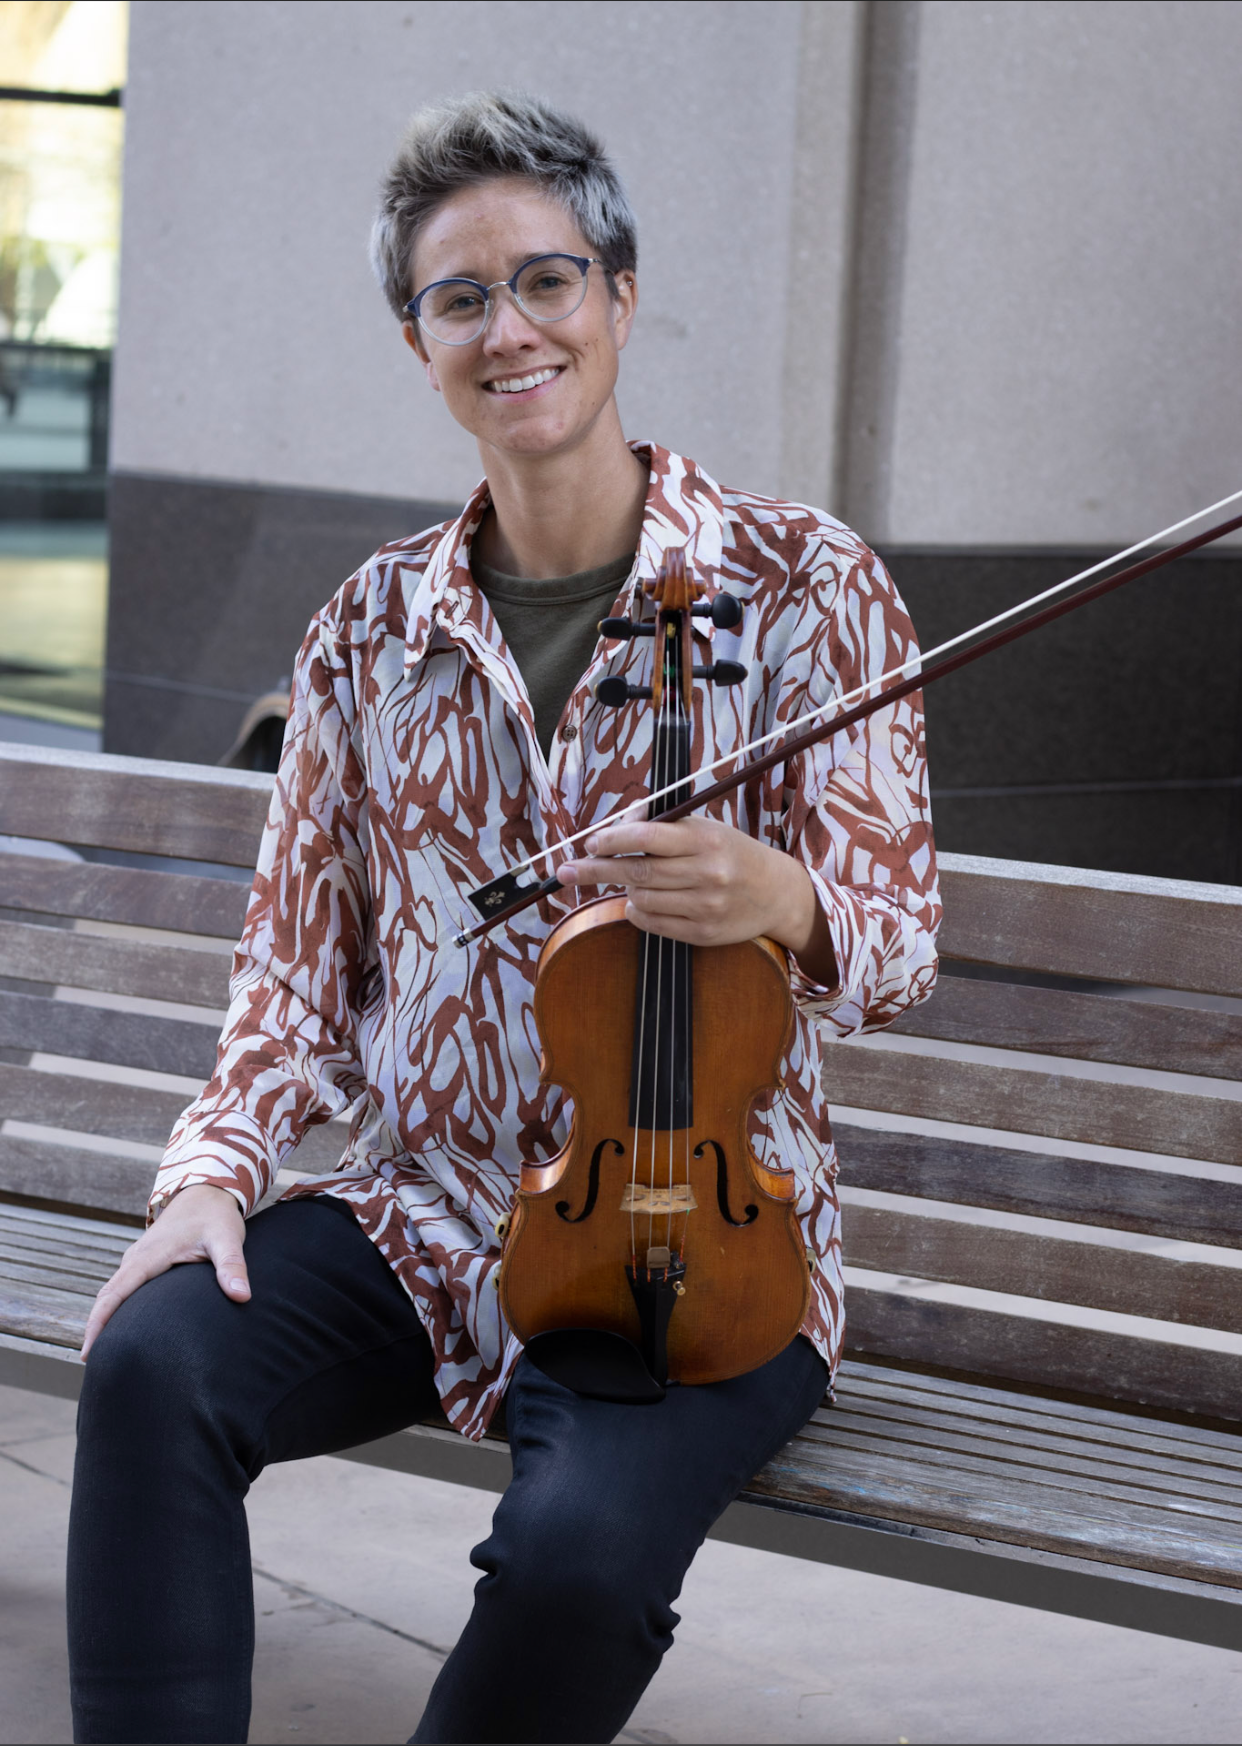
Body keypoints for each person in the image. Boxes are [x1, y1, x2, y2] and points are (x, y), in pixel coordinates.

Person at [67, 92, 940, 1745]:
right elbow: (290, 967)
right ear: (419, 342)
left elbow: (893, 945)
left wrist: (782, 898)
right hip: (425, 1207)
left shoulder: (806, 581)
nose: (508, 328)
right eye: (459, 298)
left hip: (694, 1236)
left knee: (570, 1558)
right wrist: (213, 1173)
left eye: (544, 280)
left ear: (615, 294)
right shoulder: (368, 629)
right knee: (151, 1361)